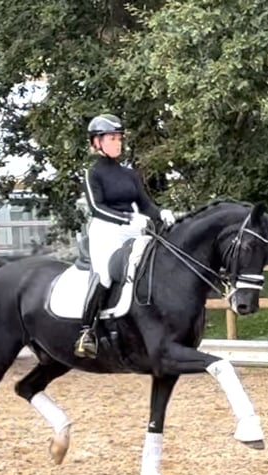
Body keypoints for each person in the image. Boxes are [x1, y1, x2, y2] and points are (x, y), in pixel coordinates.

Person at [74, 113, 176, 359]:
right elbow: (97, 208)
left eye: (119, 138)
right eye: (111, 138)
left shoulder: (129, 174)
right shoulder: (92, 173)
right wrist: (128, 218)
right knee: (106, 275)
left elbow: (145, 205)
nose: (117, 143)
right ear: (96, 142)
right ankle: (87, 331)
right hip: (105, 230)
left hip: (132, 227)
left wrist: (161, 213)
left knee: (158, 260)